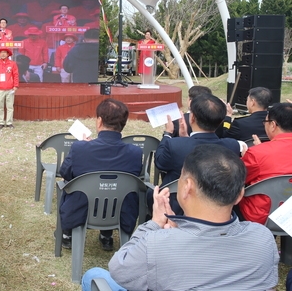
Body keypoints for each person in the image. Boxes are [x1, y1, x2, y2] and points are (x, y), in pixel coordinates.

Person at [82, 144, 279, 291]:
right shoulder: (263, 238)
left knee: (94, 275)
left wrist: (154, 223)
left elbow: (119, 270)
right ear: (239, 194)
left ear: (187, 187)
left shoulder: (157, 245)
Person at [59, 99, 142, 251]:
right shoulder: (135, 153)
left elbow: (65, 172)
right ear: (123, 123)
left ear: (99, 121)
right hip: (120, 212)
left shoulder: (80, 148)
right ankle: (106, 235)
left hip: (81, 210)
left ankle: (67, 234)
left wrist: (83, 147)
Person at [155, 93, 246, 213]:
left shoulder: (174, 145)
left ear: (192, 118)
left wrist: (168, 134)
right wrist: (186, 138)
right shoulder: (232, 146)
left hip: (178, 209)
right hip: (217, 208)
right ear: (220, 121)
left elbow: (160, 163)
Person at [237, 102, 292, 224]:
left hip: (264, 216)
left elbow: (237, 178)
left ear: (273, 125)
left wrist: (250, 154)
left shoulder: (257, 154)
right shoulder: (259, 153)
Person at [0, 48, 19, 130]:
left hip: (10, 88)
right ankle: (1, 122)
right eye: (1, 53)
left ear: (8, 54)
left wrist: (15, 86)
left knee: (10, 107)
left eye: (4, 52)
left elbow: (16, 75)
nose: (3, 54)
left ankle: (9, 122)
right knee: (0, 106)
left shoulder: (12, 64)